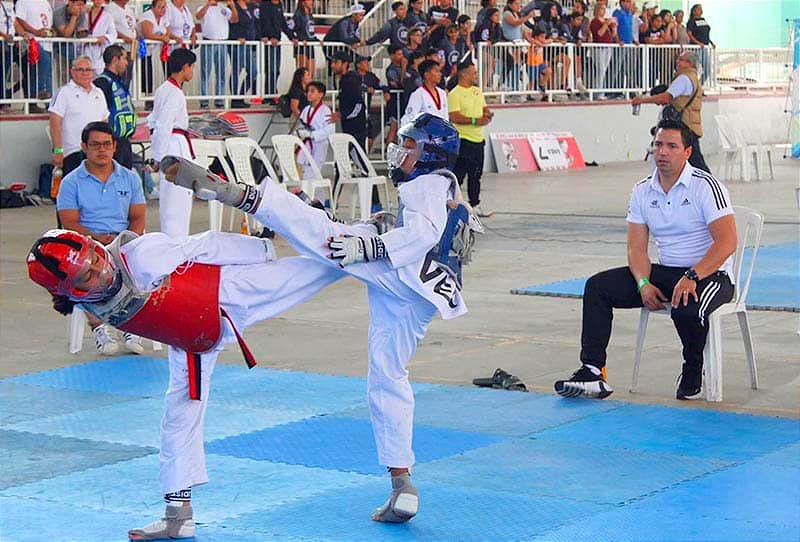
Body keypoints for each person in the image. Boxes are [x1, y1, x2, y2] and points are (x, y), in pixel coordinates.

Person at [162, 111, 483, 525]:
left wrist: (372, 249)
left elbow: (421, 234)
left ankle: (249, 196)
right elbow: (429, 234)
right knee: (388, 374)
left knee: (326, 239)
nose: (399, 152)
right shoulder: (444, 185)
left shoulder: (426, 184)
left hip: (402, 274)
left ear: (428, 154)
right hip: (422, 298)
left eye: (408, 146)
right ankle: (402, 484)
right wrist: (376, 232)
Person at [27, 231, 342, 541]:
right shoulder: (85, 302)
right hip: (189, 335)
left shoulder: (143, 255)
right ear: (70, 292)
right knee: (177, 416)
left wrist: (262, 251)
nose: (102, 271)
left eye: (96, 258)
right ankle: (178, 517)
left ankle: (373, 238)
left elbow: (207, 244)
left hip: (229, 291)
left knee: (336, 260)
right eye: (87, 276)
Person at [554, 119, 736, 401]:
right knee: (597, 287)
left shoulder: (705, 186)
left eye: (671, 146)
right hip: (667, 272)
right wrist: (643, 283)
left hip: (710, 274)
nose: (662, 151)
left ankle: (693, 369)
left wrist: (692, 276)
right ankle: (592, 372)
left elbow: (727, 242)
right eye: (658, 144)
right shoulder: (642, 190)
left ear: (687, 152)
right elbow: (636, 249)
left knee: (686, 308)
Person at [55, 121, 146, 355]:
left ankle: (132, 325)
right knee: (84, 273)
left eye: (107, 144)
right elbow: (69, 222)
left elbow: (137, 217)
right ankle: (99, 328)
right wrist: (96, 239)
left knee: (147, 264)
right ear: (84, 147)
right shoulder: (71, 182)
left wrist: (129, 240)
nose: (101, 150)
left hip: (122, 240)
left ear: (115, 147)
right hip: (86, 242)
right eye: (95, 144)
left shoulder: (130, 178)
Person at [632, 51, 710, 173]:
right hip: (690, 125)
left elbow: (666, 98)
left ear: (689, 63)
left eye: (681, 60)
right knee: (694, 164)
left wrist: (642, 100)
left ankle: (711, 189)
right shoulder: (693, 78)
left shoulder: (684, 79)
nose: (677, 62)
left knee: (696, 167)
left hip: (683, 126)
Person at [148, 47, 196, 235]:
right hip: (173, 146)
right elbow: (163, 125)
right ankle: (176, 242)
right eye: (191, 67)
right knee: (177, 199)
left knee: (174, 198)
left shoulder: (165, 89)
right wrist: (158, 158)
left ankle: (175, 240)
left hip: (172, 144)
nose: (192, 71)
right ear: (185, 67)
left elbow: (154, 121)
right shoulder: (173, 93)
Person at [48, 55, 109, 178]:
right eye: (80, 69)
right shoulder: (64, 92)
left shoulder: (99, 93)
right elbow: (54, 123)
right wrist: (57, 151)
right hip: (73, 153)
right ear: (72, 72)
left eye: (88, 70)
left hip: (97, 153)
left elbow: (104, 123)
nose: (85, 73)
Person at [448, 59, 493, 218]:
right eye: (473, 73)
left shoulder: (477, 91)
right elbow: (454, 116)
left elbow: (484, 108)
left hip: (478, 140)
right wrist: (475, 120)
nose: (476, 75)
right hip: (463, 140)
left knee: (476, 175)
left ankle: (475, 205)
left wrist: (487, 114)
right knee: (458, 176)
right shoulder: (455, 93)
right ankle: (453, 205)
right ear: (464, 74)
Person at [93, 44, 136, 168]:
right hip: (111, 143)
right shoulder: (102, 82)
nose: (127, 63)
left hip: (124, 141)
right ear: (115, 60)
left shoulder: (120, 82)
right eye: (124, 58)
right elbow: (99, 115)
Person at [14, 0, 54, 107]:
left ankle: (47, 105)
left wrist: (51, 31)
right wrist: (36, 32)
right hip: (31, 42)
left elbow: (48, 22)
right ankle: (39, 92)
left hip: (47, 43)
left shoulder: (45, 2)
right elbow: (19, 19)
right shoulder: (22, 1)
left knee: (46, 72)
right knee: (44, 62)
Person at [196, 0, 234, 109]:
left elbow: (234, 19)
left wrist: (232, 6)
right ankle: (204, 101)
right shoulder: (202, 7)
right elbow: (198, 16)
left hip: (222, 43)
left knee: (221, 73)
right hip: (208, 42)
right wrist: (208, 4)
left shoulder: (223, 8)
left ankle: (219, 100)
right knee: (205, 73)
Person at [295, 81, 334, 182]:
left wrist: (312, 134)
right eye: (308, 91)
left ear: (321, 94)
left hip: (319, 145)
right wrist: (300, 132)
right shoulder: (306, 109)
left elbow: (329, 130)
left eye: (312, 91)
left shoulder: (325, 110)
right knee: (307, 174)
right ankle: (318, 197)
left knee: (313, 174)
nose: (309, 93)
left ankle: (315, 197)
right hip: (306, 144)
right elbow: (301, 124)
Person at [258, 0, 297, 96]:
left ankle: (271, 93)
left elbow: (283, 24)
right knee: (271, 70)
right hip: (269, 42)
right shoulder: (265, 5)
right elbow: (263, 22)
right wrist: (269, 36)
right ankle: (269, 94)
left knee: (276, 70)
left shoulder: (279, 5)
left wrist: (292, 37)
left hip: (277, 42)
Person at [136, 0, 170, 105]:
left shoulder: (164, 17)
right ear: (153, 7)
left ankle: (149, 98)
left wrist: (166, 37)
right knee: (143, 74)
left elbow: (168, 31)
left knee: (149, 72)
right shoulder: (147, 16)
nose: (162, 9)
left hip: (150, 50)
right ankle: (146, 98)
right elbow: (147, 34)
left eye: (164, 7)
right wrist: (162, 38)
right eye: (160, 7)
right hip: (139, 50)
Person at [228, 0, 257, 108]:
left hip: (248, 44)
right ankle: (235, 99)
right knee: (236, 71)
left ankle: (240, 96)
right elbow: (232, 23)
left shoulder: (249, 6)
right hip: (237, 43)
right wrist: (236, 37)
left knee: (253, 71)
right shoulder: (232, 6)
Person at [401, 59, 447, 125]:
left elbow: (445, 117)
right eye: (436, 71)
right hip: (425, 133)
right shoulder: (418, 94)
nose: (440, 74)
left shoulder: (442, 93)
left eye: (440, 71)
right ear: (426, 75)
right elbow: (409, 118)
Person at [104, 0, 138, 83]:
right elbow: (110, 27)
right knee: (119, 76)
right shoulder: (110, 8)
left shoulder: (129, 9)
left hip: (130, 48)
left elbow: (132, 27)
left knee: (127, 76)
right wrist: (124, 37)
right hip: (119, 48)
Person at [82, 0, 117, 75]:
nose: (98, 1)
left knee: (98, 73)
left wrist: (105, 37)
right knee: (85, 72)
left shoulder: (108, 16)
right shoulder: (85, 14)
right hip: (86, 47)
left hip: (99, 48)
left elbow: (113, 33)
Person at [686, 3, 713, 83]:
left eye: (701, 9)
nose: (701, 10)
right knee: (697, 68)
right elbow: (689, 34)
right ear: (694, 11)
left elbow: (705, 33)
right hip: (696, 48)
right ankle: (694, 86)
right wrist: (697, 43)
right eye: (698, 9)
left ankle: (699, 85)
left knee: (707, 68)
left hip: (704, 47)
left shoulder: (703, 20)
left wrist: (711, 42)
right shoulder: (691, 21)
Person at [291, 0, 319, 73]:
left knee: (311, 73)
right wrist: (299, 39)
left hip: (310, 45)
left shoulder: (310, 15)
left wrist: (317, 40)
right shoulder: (298, 14)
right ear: (303, 2)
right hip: (301, 45)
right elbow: (290, 28)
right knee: (302, 74)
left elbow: (311, 32)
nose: (311, 2)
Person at [0, 0, 15, 112]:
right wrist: (4, 35)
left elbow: (14, 23)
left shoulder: (10, 5)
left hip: (8, 44)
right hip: (2, 42)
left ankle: (4, 101)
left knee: (4, 73)